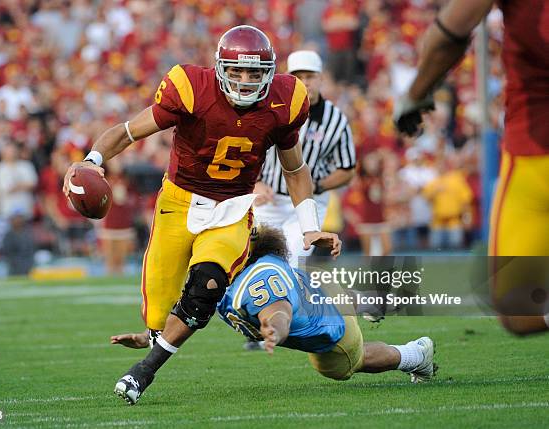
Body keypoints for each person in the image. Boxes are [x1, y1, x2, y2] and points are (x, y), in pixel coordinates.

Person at [63, 25, 341, 405]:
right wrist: (92, 160)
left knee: (207, 284)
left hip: (233, 208)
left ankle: (144, 372)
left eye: (255, 73)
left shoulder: (286, 100)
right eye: (237, 71)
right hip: (177, 204)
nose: (245, 81)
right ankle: (157, 336)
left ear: (270, 73)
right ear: (220, 68)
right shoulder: (191, 88)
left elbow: (294, 169)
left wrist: (309, 227)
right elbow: (128, 132)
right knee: (158, 318)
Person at [393, 0, 549, 335]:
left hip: (537, 150)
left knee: (518, 306)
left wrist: (416, 94)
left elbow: (451, 32)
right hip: (534, 146)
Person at [112, 226, 436, 384]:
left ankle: (415, 354)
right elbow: (187, 318)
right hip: (320, 289)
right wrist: (150, 336)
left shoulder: (255, 280)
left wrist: (274, 331)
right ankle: (372, 301)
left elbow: (277, 310)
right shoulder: (231, 274)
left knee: (349, 362)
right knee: (320, 291)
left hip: (330, 333)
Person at [254, 50, 356, 267]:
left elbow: (347, 169)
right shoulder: (271, 108)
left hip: (310, 202)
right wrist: (255, 183)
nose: (304, 82)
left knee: (290, 263)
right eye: (298, 77)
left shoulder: (335, 119)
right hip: (269, 199)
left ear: (321, 78)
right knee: (253, 260)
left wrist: (317, 185)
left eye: (309, 77)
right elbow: (249, 149)